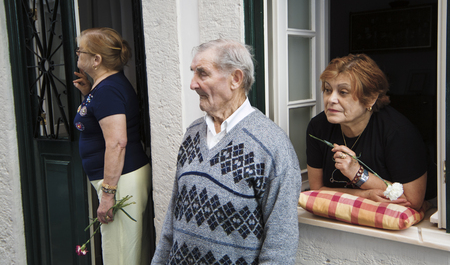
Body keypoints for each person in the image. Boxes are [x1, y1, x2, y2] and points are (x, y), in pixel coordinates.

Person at [151, 39, 301, 264]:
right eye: (193, 73)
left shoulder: (272, 146)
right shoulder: (192, 134)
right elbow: (173, 217)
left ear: (236, 79)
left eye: (202, 73)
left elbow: (281, 243)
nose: (192, 84)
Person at [306, 53, 436, 211]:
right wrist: (364, 195)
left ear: (370, 98)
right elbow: (317, 190)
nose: (331, 99)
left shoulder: (398, 132)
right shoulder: (318, 127)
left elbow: (412, 201)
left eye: (343, 92)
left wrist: (358, 173)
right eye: (327, 90)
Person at [73, 27, 151, 265]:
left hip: (121, 181)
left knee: (120, 254)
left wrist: (108, 195)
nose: (77, 55)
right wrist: (89, 92)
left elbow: (117, 143)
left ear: (96, 60)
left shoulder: (108, 90)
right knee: (127, 249)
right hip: (122, 178)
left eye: (80, 51)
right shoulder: (105, 87)